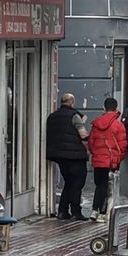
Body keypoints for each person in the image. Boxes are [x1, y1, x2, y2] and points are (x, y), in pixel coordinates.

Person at [46, 93, 90, 221]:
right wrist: (88, 149)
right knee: (77, 183)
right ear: (72, 102)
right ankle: (76, 212)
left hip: (59, 156)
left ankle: (62, 211)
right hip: (75, 155)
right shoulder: (74, 116)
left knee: (69, 183)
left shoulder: (52, 117)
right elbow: (83, 135)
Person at [88, 98, 128, 223]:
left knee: (99, 185)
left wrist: (96, 154)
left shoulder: (95, 123)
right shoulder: (118, 125)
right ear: (116, 109)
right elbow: (122, 146)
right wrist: (118, 159)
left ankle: (95, 210)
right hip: (111, 161)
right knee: (109, 187)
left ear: (103, 108)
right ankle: (104, 212)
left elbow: (91, 143)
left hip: (98, 160)